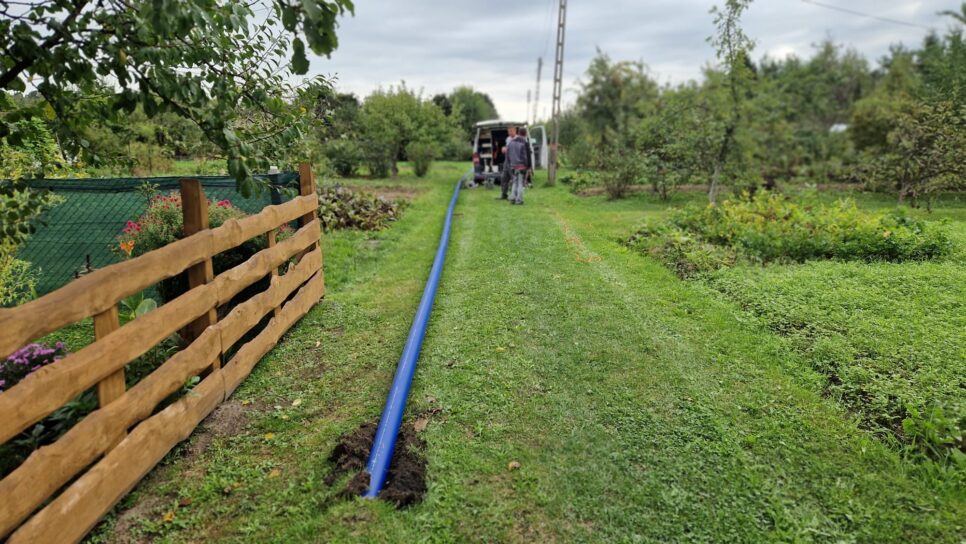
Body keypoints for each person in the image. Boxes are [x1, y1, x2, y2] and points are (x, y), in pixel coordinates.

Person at [506, 127, 532, 205]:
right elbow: (527, 156)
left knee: (515, 182)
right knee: (521, 183)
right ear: (526, 134)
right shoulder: (524, 143)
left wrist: (510, 165)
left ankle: (513, 198)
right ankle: (519, 200)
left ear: (518, 133)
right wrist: (529, 166)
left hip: (513, 166)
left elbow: (508, 156)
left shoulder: (511, 142)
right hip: (522, 166)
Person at [499, 126, 517, 199]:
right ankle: (504, 194)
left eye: (511, 131)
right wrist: (504, 148)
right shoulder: (508, 139)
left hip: (514, 161)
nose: (510, 133)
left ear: (515, 131)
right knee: (503, 177)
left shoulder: (518, 139)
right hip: (507, 160)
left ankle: (514, 196)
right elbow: (507, 147)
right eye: (509, 131)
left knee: (514, 178)